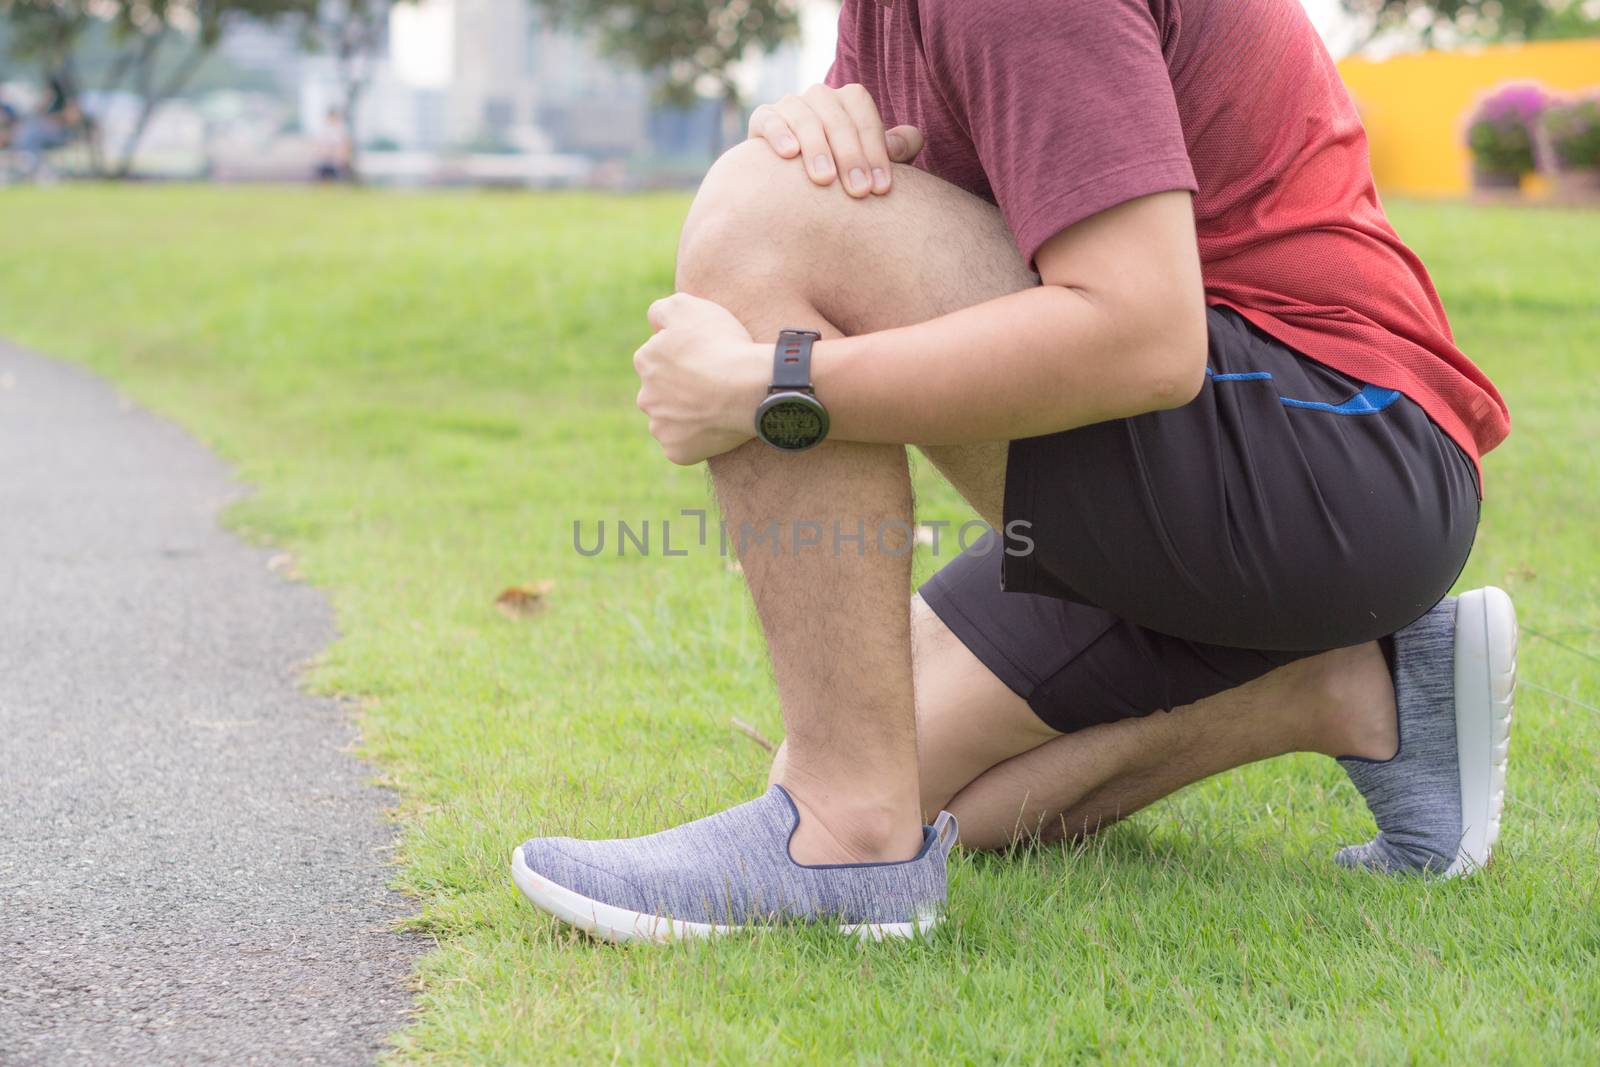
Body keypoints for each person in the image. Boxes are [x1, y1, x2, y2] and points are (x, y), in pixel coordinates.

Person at [511, 0, 1516, 942]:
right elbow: (887, 204)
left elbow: (1140, 335)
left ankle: (840, 842)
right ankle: (1350, 684)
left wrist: (771, 387)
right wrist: (806, 124)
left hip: (1335, 454)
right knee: (915, 783)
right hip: (1269, 480)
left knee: (761, 212)